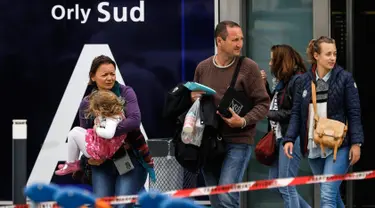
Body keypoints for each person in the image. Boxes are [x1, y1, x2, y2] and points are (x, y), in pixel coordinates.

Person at [191, 20, 270, 208]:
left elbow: (263, 103)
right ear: (220, 41)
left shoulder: (248, 67)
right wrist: (193, 99)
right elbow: (195, 104)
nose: (240, 44)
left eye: (241, 39)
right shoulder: (202, 68)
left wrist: (243, 121)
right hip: (209, 141)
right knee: (216, 199)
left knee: (227, 196)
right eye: (235, 40)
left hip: (238, 141)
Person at [283, 36, 364, 208]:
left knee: (327, 195)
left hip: (339, 146)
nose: (332, 58)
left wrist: (356, 143)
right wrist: (289, 138)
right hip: (314, 144)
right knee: (332, 196)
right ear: (316, 55)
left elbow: (354, 112)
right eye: (328, 54)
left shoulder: (345, 78)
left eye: (334, 54)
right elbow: (297, 113)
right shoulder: (303, 81)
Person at [78, 55, 154, 208]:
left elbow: (134, 120)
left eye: (112, 73)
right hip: (102, 163)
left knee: (122, 205)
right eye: (104, 74)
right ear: (93, 77)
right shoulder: (86, 102)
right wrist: (92, 155)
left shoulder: (126, 93)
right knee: (102, 205)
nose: (109, 78)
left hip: (130, 158)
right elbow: (85, 134)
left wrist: (106, 132)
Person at [261, 45, 310, 208]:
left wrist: (268, 114)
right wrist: (265, 86)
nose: (269, 63)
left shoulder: (298, 80)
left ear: (281, 61)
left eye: (272, 59)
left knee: (286, 186)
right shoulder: (283, 82)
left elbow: (296, 112)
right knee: (276, 184)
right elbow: (276, 105)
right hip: (280, 137)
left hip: (291, 138)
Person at [55, 90, 127, 175]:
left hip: (101, 150)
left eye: (95, 109)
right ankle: (73, 162)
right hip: (104, 145)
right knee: (76, 130)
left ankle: (71, 164)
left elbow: (109, 134)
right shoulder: (114, 113)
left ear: (102, 108)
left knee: (73, 134)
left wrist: (97, 129)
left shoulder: (112, 119)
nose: (94, 112)